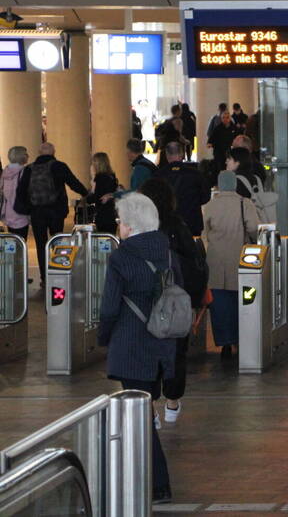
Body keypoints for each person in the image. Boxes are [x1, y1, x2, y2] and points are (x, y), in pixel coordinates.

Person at [96, 193, 176, 503]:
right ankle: (149, 479)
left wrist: (104, 338)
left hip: (131, 344)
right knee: (145, 409)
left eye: (119, 221)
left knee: (139, 415)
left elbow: (109, 307)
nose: (118, 226)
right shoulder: (166, 252)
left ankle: (157, 483)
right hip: (162, 343)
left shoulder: (121, 257)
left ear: (129, 226)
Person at [137, 177, 206, 426]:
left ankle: (151, 407)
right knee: (176, 352)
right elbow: (195, 264)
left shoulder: (139, 226)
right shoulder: (177, 224)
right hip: (176, 301)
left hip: (146, 302)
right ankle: (173, 401)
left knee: (148, 353)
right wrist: (195, 299)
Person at [202, 170, 259, 359]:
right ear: (235, 184)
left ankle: (224, 342)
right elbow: (253, 228)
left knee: (219, 304)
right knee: (241, 302)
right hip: (239, 259)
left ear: (218, 185)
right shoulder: (245, 203)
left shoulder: (209, 206)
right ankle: (239, 339)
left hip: (216, 261)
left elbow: (204, 231)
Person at [14, 142, 89, 283]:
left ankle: (44, 277)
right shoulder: (59, 165)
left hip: (37, 212)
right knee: (57, 241)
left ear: (39, 152)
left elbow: (21, 191)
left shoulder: (29, 169)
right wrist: (86, 194)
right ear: (53, 151)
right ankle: (59, 273)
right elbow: (73, 182)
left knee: (41, 244)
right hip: (56, 211)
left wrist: (27, 209)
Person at [156, 141, 210, 236]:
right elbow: (206, 197)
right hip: (192, 222)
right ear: (182, 154)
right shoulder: (195, 174)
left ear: (167, 155)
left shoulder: (159, 175)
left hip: (167, 223)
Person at [1, 146, 30, 240]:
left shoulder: (5, 171)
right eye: (26, 154)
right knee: (21, 241)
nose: (28, 156)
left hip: (8, 211)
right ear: (21, 157)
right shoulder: (25, 171)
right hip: (20, 211)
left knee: (12, 242)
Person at [86, 152, 119, 234]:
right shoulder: (112, 176)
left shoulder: (100, 179)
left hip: (102, 215)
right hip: (111, 214)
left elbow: (95, 198)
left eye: (93, 163)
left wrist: (88, 195)